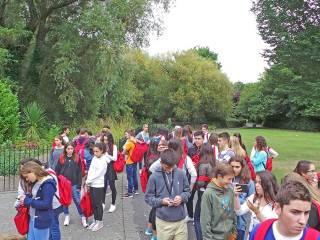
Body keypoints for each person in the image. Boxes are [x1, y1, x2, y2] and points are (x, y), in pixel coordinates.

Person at [145, 149, 191, 240]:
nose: (170, 170)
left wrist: (181, 198)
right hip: (163, 222)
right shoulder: (154, 177)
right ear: (161, 163)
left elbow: (188, 192)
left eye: (172, 167)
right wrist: (161, 201)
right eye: (167, 167)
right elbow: (148, 198)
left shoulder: (181, 173)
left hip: (181, 221)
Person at [249, 181, 320, 240]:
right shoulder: (260, 231)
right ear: (277, 208)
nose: (303, 221)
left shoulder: (315, 237)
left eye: (306, 213)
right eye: (295, 212)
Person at [15, 158, 62, 240]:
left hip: (42, 220)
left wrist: (27, 200)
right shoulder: (36, 181)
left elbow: (46, 204)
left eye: (26, 177)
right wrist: (26, 197)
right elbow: (34, 196)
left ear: (32, 171)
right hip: (33, 218)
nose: (26, 179)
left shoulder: (48, 183)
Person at [200, 163, 237, 240]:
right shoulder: (208, 194)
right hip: (215, 237)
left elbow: (232, 213)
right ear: (219, 176)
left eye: (232, 179)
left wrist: (234, 232)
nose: (231, 182)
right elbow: (205, 221)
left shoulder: (230, 191)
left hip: (230, 236)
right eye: (229, 179)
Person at [55, 142, 86, 227]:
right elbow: (57, 171)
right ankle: (66, 216)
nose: (70, 150)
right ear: (65, 149)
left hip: (74, 183)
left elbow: (80, 172)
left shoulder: (77, 158)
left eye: (71, 149)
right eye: (68, 149)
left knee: (77, 200)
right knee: (65, 201)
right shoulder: (61, 158)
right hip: (64, 183)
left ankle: (83, 216)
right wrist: (57, 182)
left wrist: (79, 185)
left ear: (74, 149)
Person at [284, 160, 320, 231]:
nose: (315, 173)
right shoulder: (301, 187)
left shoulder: (308, 183)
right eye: (312, 171)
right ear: (303, 173)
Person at [230, 156, 255, 240]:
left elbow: (251, 202)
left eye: (237, 167)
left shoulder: (249, 182)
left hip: (240, 222)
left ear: (242, 167)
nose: (234, 169)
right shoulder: (226, 179)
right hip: (225, 221)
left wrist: (237, 199)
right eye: (232, 166)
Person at [85, 142, 109, 232]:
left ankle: (100, 222)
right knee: (93, 203)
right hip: (92, 183)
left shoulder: (103, 161)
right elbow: (91, 170)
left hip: (98, 184)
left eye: (97, 151)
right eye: (94, 151)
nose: (95, 153)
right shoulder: (95, 158)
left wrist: (88, 181)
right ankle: (95, 220)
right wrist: (89, 181)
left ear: (102, 151)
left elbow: (98, 174)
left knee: (98, 204)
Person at [194, 143, 216, 240]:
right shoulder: (216, 162)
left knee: (198, 218)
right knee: (210, 218)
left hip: (203, 192)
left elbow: (200, 183)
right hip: (215, 191)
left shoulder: (203, 164)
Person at [102, 132, 118, 213]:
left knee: (112, 185)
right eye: (104, 139)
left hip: (111, 167)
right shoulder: (102, 145)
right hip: (103, 166)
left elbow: (115, 158)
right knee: (103, 185)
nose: (105, 141)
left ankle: (113, 204)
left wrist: (106, 154)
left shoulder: (113, 146)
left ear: (110, 139)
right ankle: (103, 203)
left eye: (107, 140)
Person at [123, 128, 139, 198]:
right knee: (134, 175)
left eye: (126, 134)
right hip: (135, 160)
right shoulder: (136, 141)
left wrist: (124, 151)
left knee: (130, 177)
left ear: (129, 134)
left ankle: (129, 192)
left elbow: (124, 152)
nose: (125, 135)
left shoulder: (129, 142)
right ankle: (135, 190)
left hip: (129, 161)